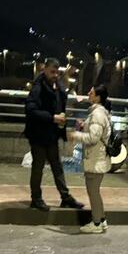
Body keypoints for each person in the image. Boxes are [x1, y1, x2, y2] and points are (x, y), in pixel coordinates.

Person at [25, 58, 83, 212]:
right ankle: (36, 199)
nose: (55, 75)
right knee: (38, 168)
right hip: (38, 135)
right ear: (45, 70)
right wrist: (53, 117)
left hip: (51, 134)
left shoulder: (57, 86)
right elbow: (30, 110)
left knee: (57, 167)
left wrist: (61, 120)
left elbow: (59, 104)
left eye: (57, 72)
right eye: (52, 71)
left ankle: (65, 197)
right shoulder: (38, 87)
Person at [72, 85, 113, 234]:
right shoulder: (100, 113)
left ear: (98, 97)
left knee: (93, 192)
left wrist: (76, 135)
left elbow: (93, 138)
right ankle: (101, 220)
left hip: (96, 159)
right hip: (98, 158)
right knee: (95, 191)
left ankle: (96, 223)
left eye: (91, 92)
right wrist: (84, 125)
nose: (88, 93)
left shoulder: (97, 114)